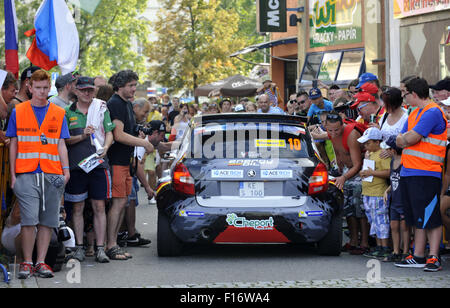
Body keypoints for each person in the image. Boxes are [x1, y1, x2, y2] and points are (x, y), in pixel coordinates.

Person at [6, 69, 70, 279]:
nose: (42, 92)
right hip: (26, 173)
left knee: (48, 221)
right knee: (29, 221)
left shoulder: (59, 113)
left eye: (45, 88)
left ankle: (40, 263)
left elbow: (61, 144)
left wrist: (66, 171)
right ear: (30, 87)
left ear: (48, 88)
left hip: (52, 173)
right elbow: (13, 143)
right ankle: (26, 262)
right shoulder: (19, 111)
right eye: (38, 88)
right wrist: (13, 175)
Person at [395, 77, 446, 272]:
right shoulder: (415, 112)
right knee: (417, 216)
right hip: (410, 171)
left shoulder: (432, 111)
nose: (403, 98)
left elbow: (410, 137)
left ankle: (433, 256)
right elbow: (401, 140)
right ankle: (418, 255)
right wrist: (404, 139)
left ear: (414, 94)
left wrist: (405, 139)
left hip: (427, 171)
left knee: (430, 215)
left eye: (404, 94)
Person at [63, 76, 115, 264]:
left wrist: (106, 148)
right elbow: (64, 140)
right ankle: (79, 247)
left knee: (99, 206)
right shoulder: (67, 112)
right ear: (75, 91)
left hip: (98, 165)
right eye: (83, 90)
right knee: (77, 207)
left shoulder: (101, 108)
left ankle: (100, 248)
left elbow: (109, 132)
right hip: (77, 166)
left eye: (90, 90)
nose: (87, 93)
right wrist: (82, 135)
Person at [106, 70, 155, 260]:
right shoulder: (116, 103)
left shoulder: (126, 103)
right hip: (117, 161)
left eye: (135, 85)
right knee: (118, 203)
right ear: (120, 86)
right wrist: (143, 142)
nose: (134, 89)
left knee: (123, 202)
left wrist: (137, 133)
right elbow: (118, 135)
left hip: (125, 161)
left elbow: (127, 130)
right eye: (131, 85)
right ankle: (111, 245)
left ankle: (114, 243)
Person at [325, 113, 368, 255]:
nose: (333, 133)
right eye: (330, 130)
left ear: (342, 124)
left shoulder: (351, 135)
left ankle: (364, 242)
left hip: (359, 173)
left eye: (336, 130)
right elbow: (338, 154)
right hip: (345, 172)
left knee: (359, 209)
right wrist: (338, 171)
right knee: (348, 208)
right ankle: (353, 241)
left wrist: (343, 177)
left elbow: (357, 164)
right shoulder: (330, 133)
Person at [357, 127, 392, 259]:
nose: (365, 146)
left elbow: (389, 172)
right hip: (368, 192)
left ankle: (384, 246)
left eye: (368, 143)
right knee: (373, 220)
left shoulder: (382, 154)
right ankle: (378, 245)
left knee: (381, 220)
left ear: (377, 142)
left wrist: (372, 173)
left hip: (378, 192)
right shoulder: (370, 154)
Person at [383, 136, 410, 262]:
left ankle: (405, 251)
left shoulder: (405, 162)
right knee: (394, 226)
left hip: (403, 199)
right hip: (394, 199)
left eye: (388, 149)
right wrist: (387, 191)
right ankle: (395, 251)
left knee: (405, 227)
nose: (386, 151)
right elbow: (393, 179)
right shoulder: (392, 161)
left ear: (393, 150)